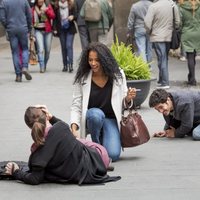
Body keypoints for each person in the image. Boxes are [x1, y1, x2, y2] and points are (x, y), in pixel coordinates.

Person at [4, 105, 120, 185]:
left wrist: (16, 172)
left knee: (74, 141)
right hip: (99, 156)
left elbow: (35, 178)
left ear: (30, 127)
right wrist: (51, 117)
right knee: (75, 140)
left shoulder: (37, 155)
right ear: (46, 118)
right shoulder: (61, 127)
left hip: (94, 161)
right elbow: (63, 127)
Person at [70, 42, 137, 162]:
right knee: (95, 115)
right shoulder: (82, 77)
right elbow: (76, 104)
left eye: (97, 60)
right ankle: (96, 147)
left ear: (105, 60)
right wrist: (74, 127)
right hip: (92, 118)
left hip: (110, 118)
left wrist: (128, 98)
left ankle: (103, 144)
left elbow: (123, 102)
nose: (93, 63)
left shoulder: (118, 75)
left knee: (113, 155)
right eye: (90, 60)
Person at [144, 0, 180, 89]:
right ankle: (161, 80)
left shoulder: (153, 6)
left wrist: (150, 31)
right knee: (164, 58)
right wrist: (173, 29)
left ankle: (165, 82)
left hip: (157, 36)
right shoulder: (172, 5)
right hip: (169, 35)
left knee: (162, 58)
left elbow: (147, 23)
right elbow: (178, 21)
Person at [0, 0, 32, 82]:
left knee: (15, 52)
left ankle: (18, 75)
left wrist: (7, 26)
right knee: (24, 48)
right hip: (23, 28)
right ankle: (25, 67)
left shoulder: (4, 2)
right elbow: (29, 15)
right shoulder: (24, 1)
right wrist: (29, 27)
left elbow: (2, 17)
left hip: (11, 29)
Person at [178, 0, 200, 86]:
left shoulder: (181, 6)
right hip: (198, 33)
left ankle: (192, 78)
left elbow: (180, 23)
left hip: (187, 33)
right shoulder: (199, 5)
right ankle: (191, 76)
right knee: (193, 55)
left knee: (190, 56)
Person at [53, 0, 77, 72]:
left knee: (69, 46)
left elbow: (76, 15)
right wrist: (54, 28)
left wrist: (73, 17)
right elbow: (55, 19)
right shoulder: (56, 6)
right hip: (61, 29)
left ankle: (71, 65)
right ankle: (65, 65)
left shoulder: (71, 5)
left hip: (70, 29)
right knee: (63, 47)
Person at [32, 0, 55, 73]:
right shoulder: (33, 8)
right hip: (38, 31)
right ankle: (42, 66)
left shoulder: (48, 6)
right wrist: (31, 34)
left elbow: (53, 16)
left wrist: (46, 10)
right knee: (40, 49)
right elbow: (31, 21)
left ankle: (44, 64)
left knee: (47, 50)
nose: (40, 0)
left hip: (48, 31)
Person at [127, 0, 152, 66]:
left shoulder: (135, 6)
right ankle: (149, 65)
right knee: (149, 48)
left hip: (139, 28)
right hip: (150, 29)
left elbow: (131, 20)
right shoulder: (152, 5)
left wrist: (129, 31)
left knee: (141, 48)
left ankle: (144, 67)